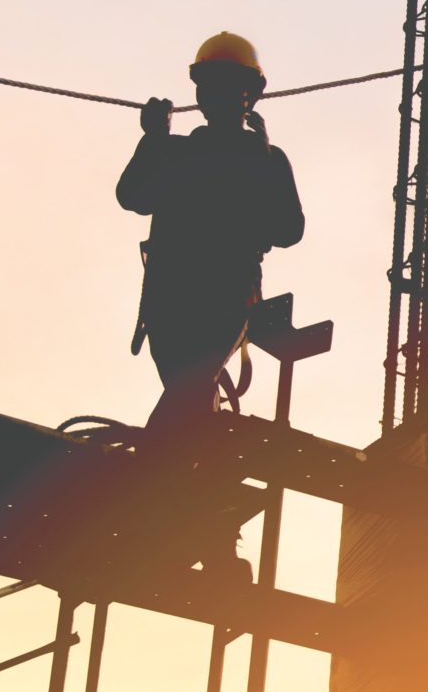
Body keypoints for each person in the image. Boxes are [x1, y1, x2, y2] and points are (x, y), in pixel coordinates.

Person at [119, 32, 305, 429]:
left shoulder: (255, 159)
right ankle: (181, 459)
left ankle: (152, 467)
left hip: (207, 297)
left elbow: (289, 229)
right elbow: (132, 196)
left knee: (188, 387)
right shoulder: (182, 153)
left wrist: (154, 141)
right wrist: (153, 141)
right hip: (184, 297)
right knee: (189, 392)